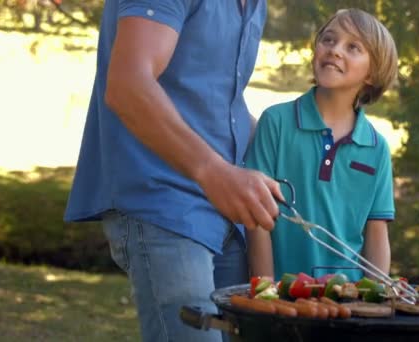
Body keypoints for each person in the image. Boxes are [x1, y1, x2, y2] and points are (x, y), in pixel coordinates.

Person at [64, 1, 283, 341]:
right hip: (163, 201)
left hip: (228, 216)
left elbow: (215, 102)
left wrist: (287, 146)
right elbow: (128, 86)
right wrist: (213, 172)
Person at [245, 8, 398, 282]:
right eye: (328, 39)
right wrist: (265, 292)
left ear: (372, 74)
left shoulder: (377, 148)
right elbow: (257, 218)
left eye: (353, 47)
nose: (335, 50)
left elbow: (376, 233)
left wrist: (375, 300)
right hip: (283, 296)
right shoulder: (276, 122)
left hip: (349, 303)